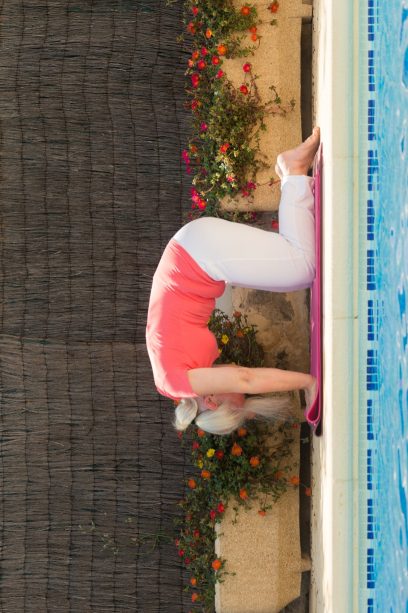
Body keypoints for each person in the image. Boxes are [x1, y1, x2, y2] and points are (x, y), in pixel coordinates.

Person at [146, 128, 320, 435]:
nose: (241, 393)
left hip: (199, 255)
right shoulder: (176, 378)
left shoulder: (179, 382)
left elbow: (245, 378)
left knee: (304, 267)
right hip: (196, 254)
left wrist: (309, 383)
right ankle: (291, 175)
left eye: (239, 402)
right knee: (296, 273)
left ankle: (293, 172)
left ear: (212, 401)